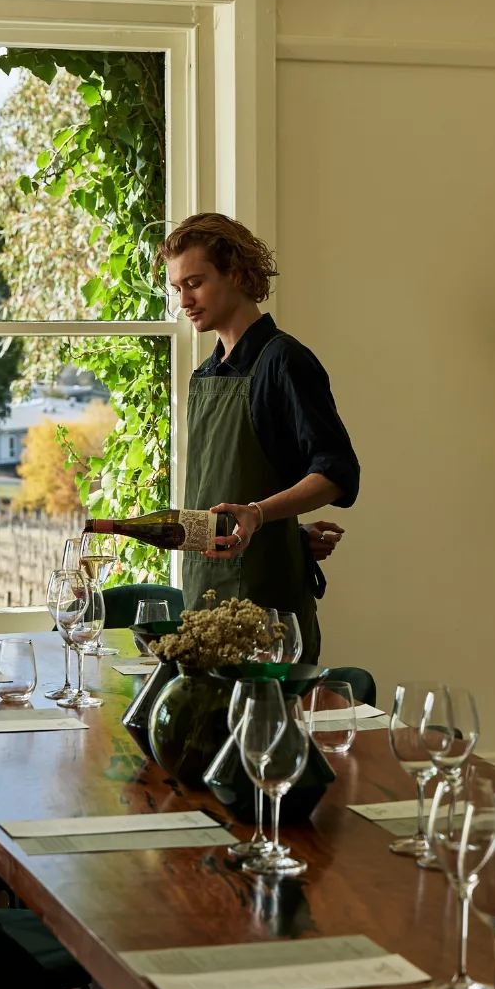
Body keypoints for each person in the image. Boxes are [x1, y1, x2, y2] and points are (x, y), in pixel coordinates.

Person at [160, 213, 359, 664]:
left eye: (195, 283)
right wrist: (287, 530)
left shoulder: (284, 361)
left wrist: (260, 515)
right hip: (203, 599)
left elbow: (337, 471)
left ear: (235, 272)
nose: (184, 300)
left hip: (266, 610)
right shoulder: (207, 374)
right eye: (177, 288)